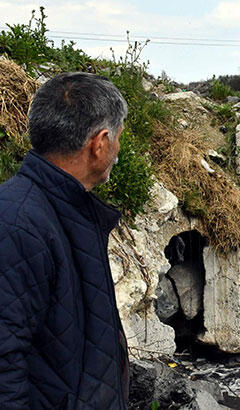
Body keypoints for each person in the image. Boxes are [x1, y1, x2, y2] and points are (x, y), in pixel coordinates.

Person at [0, 72, 129, 408]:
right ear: (99, 143)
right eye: (117, 139)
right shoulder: (16, 221)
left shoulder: (62, 209)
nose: (117, 149)